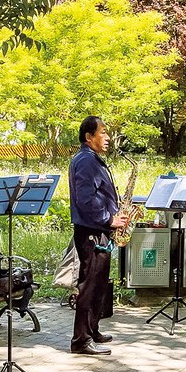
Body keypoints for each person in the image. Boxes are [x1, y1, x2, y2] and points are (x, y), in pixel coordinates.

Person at [68, 116, 128, 356]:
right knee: (89, 285)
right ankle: (80, 340)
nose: (108, 138)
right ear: (89, 137)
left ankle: (92, 330)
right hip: (92, 232)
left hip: (99, 232)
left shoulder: (91, 159)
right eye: (103, 133)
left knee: (99, 284)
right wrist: (109, 218)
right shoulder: (85, 161)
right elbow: (86, 199)